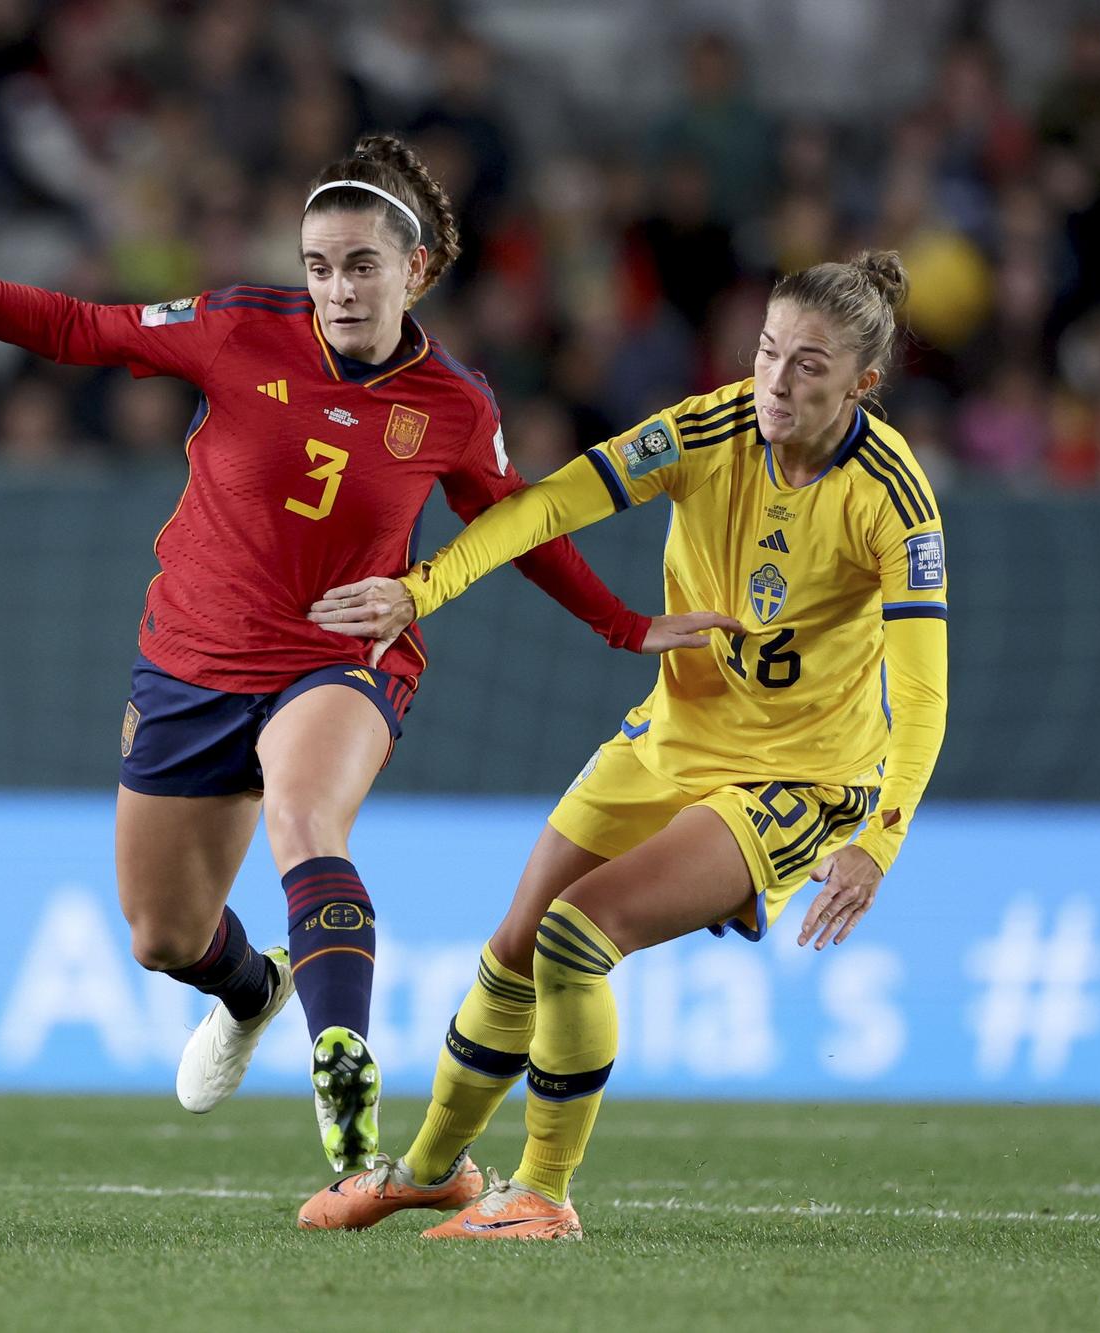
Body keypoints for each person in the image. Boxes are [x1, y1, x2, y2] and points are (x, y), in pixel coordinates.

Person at [0, 135, 731, 1172]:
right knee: (161, 934)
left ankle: (340, 1060)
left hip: (343, 650)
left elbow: (516, 526)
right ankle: (250, 990)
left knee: (303, 815)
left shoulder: (454, 403)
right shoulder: (234, 328)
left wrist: (623, 624)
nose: (337, 288)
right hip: (191, 657)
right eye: (318, 266)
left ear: (412, 269)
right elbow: (74, 328)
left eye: (360, 265)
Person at [298, 250, 947, 1236]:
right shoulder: (707, 430)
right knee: (512, 946)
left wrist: (878, 840)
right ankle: (430, 1169)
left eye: (808, 365)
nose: (774, 381)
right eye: (767, 351)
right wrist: (421, 586)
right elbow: (547, 502)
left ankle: (544, 1195)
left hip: (798, 776)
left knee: (574, 936)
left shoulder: (891, 501)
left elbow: (921, 691)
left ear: (863, 382)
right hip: (669, 734)